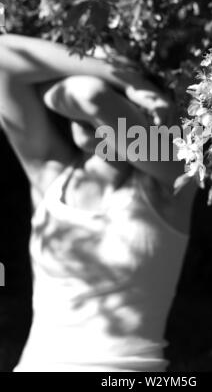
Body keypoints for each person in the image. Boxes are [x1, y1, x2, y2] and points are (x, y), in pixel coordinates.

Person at [0, 34, 197, 372]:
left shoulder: (173, 176)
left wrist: (101, 80)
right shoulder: (49, 177)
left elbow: (89, 97)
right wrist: (129, 79)